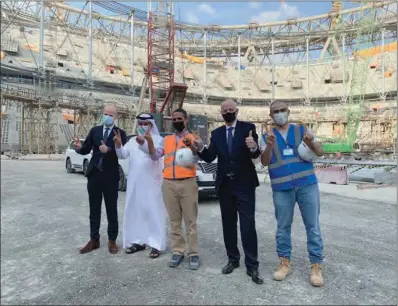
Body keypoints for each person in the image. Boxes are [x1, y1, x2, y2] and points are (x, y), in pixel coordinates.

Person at [193, 98, 264, 285]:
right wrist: (200, 146)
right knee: (228, 224)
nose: (227, 112)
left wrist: (254, 146)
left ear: (237, 111)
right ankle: (233, 259)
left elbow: (254, 154)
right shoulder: (216, 133)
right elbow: (209, 157)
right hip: (225, 185)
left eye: (230, 109)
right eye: (224, 110)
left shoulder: (248, 128)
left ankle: (252, 264)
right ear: (221, 113)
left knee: (248, 225)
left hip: (245, 185)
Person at [259, 100, 325, 287]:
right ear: (271, 116)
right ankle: (284, 263)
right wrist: (270, 145)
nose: (279, 114)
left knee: (312, 226)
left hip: (307, 185)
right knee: (283, 227)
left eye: (282, 110)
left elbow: (320, 152)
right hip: (282, 188)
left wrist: (311, 143)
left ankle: (316, 265)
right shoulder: (266, 137)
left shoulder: (302, 131)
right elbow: (264, 161)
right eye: (275, 112)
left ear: (288, 112)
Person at [149, 108, 201, 270]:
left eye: (179, 118)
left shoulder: (193, 137)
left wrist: (192, 145)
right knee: (174, 221)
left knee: (190, 220)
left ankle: (193, 253)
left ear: (186, 120)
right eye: (174, 119)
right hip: (169, 184)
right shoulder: (167, 140)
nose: (176, 121)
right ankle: (178, 251)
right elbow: (155, 156)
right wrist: (149, 143)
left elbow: (198, 157)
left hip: (187, 183)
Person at [75, 104, 127, 255]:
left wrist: (109, 149)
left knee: (111, 210)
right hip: (94, 175)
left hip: (110, 177)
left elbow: (122, 154)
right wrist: (79, 148)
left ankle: (112, 240)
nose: (108, 117)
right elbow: (86, 149)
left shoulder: (120, 133)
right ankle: (94, 240)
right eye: (106, 114)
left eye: (111, 115)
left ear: (116, 117)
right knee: (94, 209)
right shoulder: (95, 131)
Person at [114, 113, 166, 258]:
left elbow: (154, 155)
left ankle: (156, 244)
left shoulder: (159, 140)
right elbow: (122, 155)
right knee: (136, 212)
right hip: (134, 184)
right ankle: (138, 241)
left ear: (151, 125)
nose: (143, 126)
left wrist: (145, 142)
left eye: (146, 123)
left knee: (153, 212)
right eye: (141, 124)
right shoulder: (131, 141)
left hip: (151, 182)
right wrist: (118, 144)